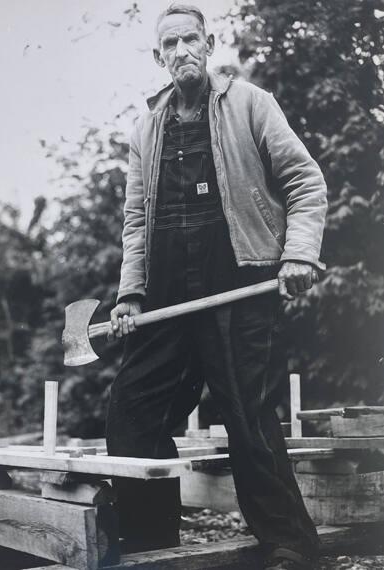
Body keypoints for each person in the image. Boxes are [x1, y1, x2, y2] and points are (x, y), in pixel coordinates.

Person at [106, 4, 327, 569]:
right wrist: (131, 293)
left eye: (191, 40)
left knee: (247, 413)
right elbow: (135, 220)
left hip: (239, 278)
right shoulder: (145, 129)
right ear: (159, 58)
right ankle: (151, 546)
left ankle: (289, 547)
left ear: (209, 43)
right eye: (170, 45)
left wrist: (299, 253)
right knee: (133, 413)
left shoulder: (252, 104)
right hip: (166, 292)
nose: (182, 52)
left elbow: (305, 181)